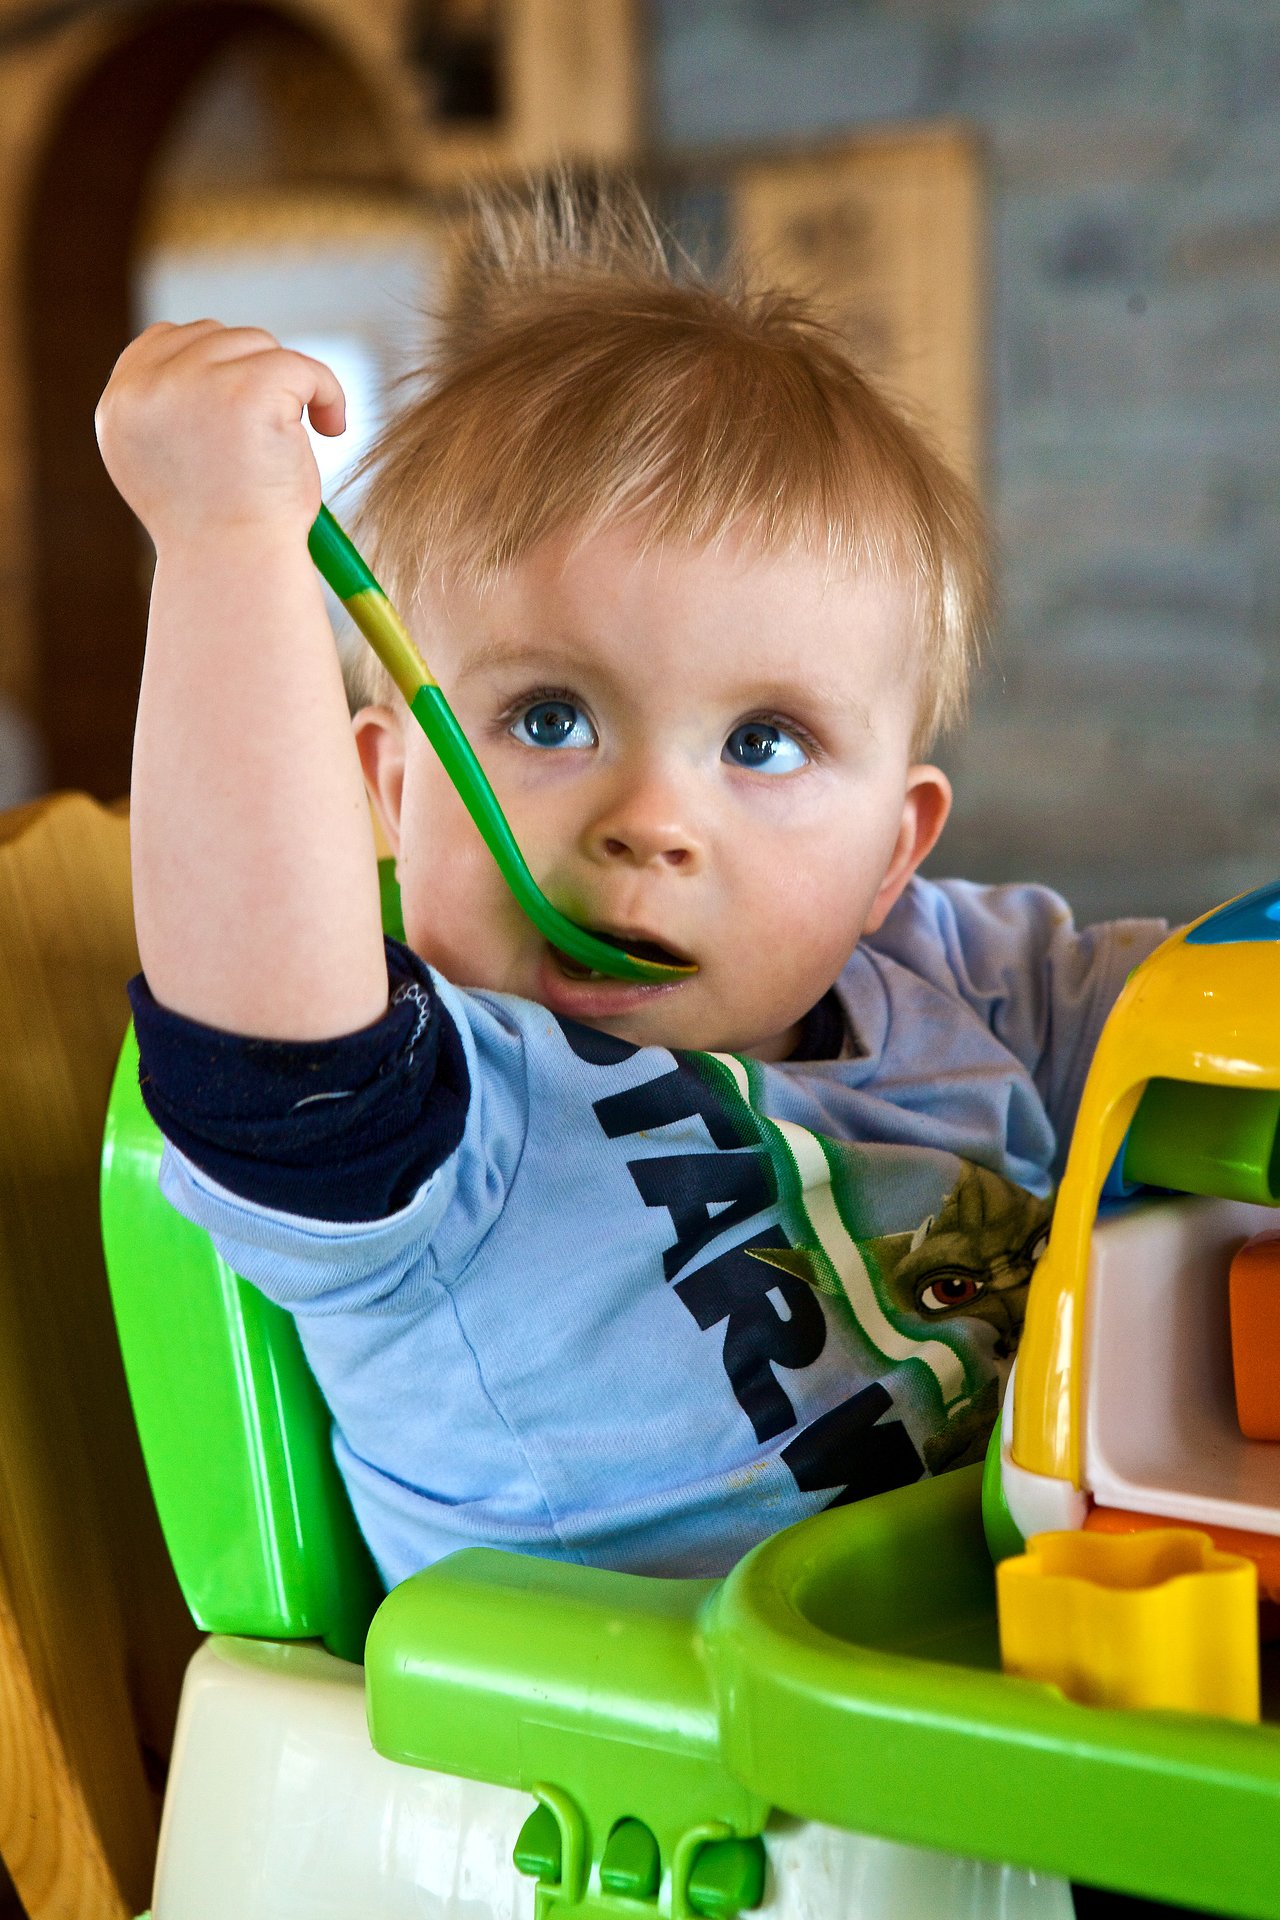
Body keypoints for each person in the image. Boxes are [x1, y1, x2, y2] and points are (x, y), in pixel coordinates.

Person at [96, 179, 1166, 1590]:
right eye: (548, 718)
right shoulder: (430, 1120)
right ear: (396, 790)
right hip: (636, 1779)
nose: (652, 819)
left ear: (890, 853)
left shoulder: (957, 977)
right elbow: (255, 1031)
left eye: (764, 743)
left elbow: (1221, 1002)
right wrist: (226, 544)